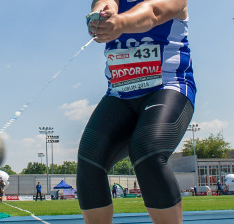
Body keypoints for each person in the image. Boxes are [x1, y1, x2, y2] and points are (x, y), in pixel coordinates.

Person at [76, 0, 196, 223]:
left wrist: (120, 22)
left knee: (147, 152)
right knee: (89, 160)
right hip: (121, 94)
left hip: (167, 87)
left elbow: (153, 12)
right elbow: (104, 2)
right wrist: (101, 15)